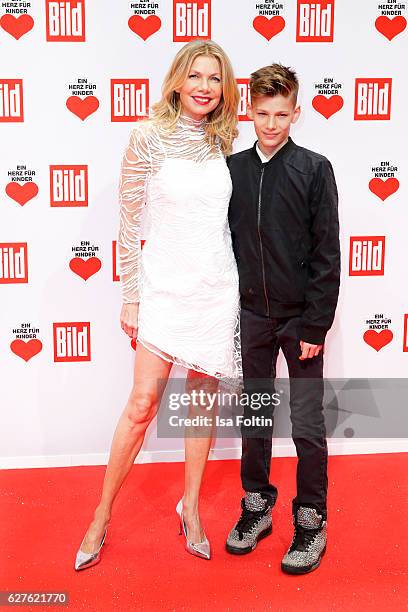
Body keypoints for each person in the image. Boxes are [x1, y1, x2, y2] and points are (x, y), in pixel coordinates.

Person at [74, 40, 241, 570]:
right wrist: (130, 295)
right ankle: (101, 515)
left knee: (199, 403)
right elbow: (127, 225)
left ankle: (190, 506)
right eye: (195, 76)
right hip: (164, 288)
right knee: (142, 404)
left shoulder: (226, 139)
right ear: (175, 80)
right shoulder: (146, 137)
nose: (204, 87)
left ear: (225, 87)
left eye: (215, 78)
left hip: (215, 290)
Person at [226, 64, 340, 574]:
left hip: (300, 322)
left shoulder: (314, 169)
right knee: (255, 414)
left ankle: (311, 517)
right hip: (252, 314)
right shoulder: (231, 170)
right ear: (248, 110)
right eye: (261, 113)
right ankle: (257, 504)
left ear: (297, 112)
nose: (270, 124)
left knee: (307, 421)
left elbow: (327, 254)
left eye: (281, 114)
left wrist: (315, 326)